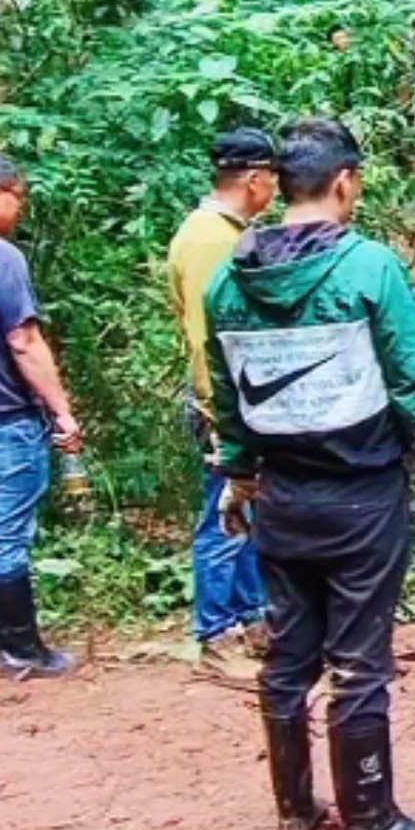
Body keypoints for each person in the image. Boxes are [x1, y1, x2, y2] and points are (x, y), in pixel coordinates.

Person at [205, 118, 415, 830]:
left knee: (289, 654)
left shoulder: (229, 280)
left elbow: (230, 394)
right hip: (362, 496)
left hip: (281, 499)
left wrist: (238, 477)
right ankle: (371, 819)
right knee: (360, 657)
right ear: (344, 182)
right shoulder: (369, 269)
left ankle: (295, 811)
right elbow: (413, 376)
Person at [167, 130, 277, 664]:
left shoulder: (224, 229)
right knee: (224, 512)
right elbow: (207, 334)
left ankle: (252, 617)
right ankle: (216, 630)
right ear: (255, 180)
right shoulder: (212, 238)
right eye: (273, 178)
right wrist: (219, 413)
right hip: (224, 396)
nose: (277, 189)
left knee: (249, 507)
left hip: (241, 393)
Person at [0, 155, 82, 679]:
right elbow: (24, 342)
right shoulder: (1, 258)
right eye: (18, 198)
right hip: (4, 422)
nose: (21, 210)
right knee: (3, 535)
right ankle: (22, 649)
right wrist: (63, 412)